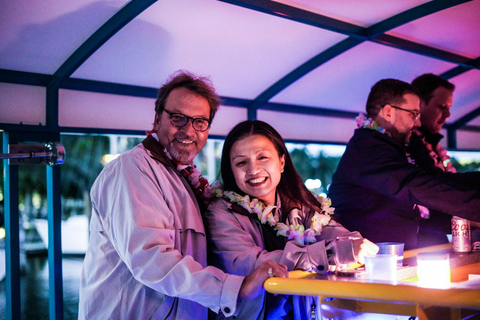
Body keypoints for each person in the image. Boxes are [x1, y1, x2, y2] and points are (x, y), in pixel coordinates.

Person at [78, 71, 288, 319]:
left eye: (200, 121)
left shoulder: (184, 179)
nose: (189, 131)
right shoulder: (132, 170)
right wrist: (236, 288)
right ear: (157, 119)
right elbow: (152, 259)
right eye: (178, 118)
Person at [205, 120, 378, 320]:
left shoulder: (301, 205)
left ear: (281, 162)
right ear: (231, 170)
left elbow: (340, 236)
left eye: (262, 157)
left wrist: (355, 245)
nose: (253, 170)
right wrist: (331, 254)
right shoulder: (221, 212)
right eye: (241, 162)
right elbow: (250, 264)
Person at [328, 78, 480, 250]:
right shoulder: (368, 148)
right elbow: (416, 186)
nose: (418, 123)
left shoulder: (390, 145)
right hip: (367, 262)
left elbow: (435, 179)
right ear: (388, 112)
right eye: (413, 114)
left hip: (392, 256)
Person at [407, 73, 480, 247]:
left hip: (436, 238)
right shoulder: (407, 142)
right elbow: (433, 185)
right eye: (441, 106)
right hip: (415, 242)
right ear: (419, 103)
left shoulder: (429, 143)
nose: (448, 114)